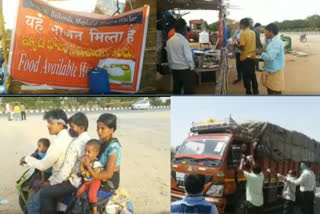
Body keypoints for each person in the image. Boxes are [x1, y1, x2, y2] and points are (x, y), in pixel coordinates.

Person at [20, 109, 73, 214]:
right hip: (66, 178)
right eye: (48, 123)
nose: (48, 125)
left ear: (61, 124)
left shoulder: (58, 142)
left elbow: (43, 165)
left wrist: (26, 158)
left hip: (61, 180)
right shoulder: (69, 136)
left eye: (51, 123)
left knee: (33, 205)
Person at [39, 112, 91, 214]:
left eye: (72, 127)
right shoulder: (89, 140)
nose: (70, 129)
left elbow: (65, 171)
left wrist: (51, 183)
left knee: (45, 193)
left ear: (81, 128)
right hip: (84, 179)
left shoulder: (76, 144)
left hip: (74, 183)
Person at [167, 18, 195, 94]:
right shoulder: (183, 41)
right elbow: (188, 57)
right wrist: (192, 67)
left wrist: (170, 66)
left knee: (176, 89)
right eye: (185, 27)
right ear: (182, 28)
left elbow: (169, 56)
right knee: (187, 90)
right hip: (184, 69)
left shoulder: (169, 41)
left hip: (174, 69)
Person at [76, 140, 103, 214]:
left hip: (95, 181)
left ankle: (94, 211)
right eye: (85, 151)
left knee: (92, 195)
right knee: (79, 192)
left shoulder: (96, 162)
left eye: (89, 152)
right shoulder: (87, 161)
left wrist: (88, 165)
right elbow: (83, 172)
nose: (86, 154)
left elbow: (95, 174)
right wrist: (81, 164)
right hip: (87, 181)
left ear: (96, 153)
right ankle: (79, 206)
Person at [259, 23, 285, 95]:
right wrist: (262, 53)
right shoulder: (272, 41)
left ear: (271, 32)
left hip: (275, 72)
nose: (264, 34)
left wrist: (261, 53)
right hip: (270, 70)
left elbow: (270, 57)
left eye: (265, 32)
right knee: (270, 89)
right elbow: (270, 54)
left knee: (276, 90)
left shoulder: (276, 42)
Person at [235, 18, 258, 95]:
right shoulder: (253, 32)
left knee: (246, 76)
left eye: (240, 24)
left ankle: (248, 92)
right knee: (252, 74)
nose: (239, 25)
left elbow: (243, 48)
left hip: (245, 58)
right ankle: (256, 91)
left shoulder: (243, 33)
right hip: (252, 56)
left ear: (243, 25)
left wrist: (236, 45)